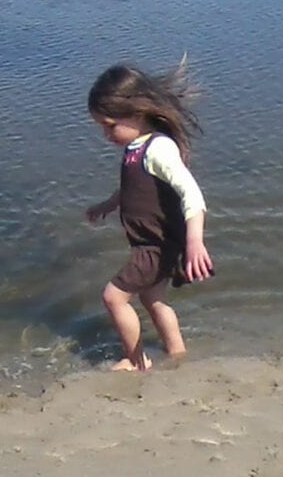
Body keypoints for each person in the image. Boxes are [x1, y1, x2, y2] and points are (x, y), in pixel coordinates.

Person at [85, 61, 214, 371]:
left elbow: (191, 193)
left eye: (110, 125)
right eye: (102, 126)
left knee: (113, 298)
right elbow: (135, 187)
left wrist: (195, 241)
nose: (106, 134)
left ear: (138, 113)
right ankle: (178, 354)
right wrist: (109, 204)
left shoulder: (158, 150)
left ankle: (137, 362)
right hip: (153, 243)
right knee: (152, 300)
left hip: (155, 246)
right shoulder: (137, 146)